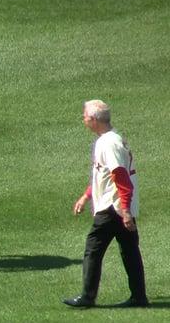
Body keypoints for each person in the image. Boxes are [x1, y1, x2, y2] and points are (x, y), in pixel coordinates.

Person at [63, 99, 148, 308]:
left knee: (93, 248)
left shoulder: (108, 143)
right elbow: (104, 175)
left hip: (113, 208)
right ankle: (139, 296)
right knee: (129, 251)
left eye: (84, 116)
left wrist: (125, 210)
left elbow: (121, 177)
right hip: (119, 206)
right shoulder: (111, 139)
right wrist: (86, 196)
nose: (83, 120)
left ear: (93, 120)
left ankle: (87, 297)